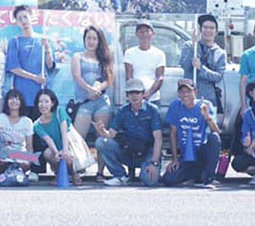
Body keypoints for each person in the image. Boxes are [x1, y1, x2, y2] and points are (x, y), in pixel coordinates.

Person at [94, 78, 162, 187]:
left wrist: (154, 162)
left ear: (143, 94)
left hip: (148, 151)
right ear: (127, 95)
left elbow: (158, 139)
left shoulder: (153, 110)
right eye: (131, 93)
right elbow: (111, 135)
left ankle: (147, 169)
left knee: (149, 181)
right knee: (101, 142)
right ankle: (120, 175)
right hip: (129, 150)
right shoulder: (123, 111)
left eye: (137, 92)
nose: (134, 96)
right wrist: (102, 131)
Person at [71, 24, 114, 181]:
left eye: (94, 38)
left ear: (99, 40)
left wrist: (98, 90)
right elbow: (77, 76)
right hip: (84, 102)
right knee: (77, 137)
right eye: (88, 38)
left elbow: (109, 78)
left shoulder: (105, 57)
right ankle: (76, 170)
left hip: (102, 103)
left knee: (101, 138)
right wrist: (89, 89)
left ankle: (100, 172)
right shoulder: (77, 57)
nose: (91, 41)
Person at [161, 79, 222, 188]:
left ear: (196, 92)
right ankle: (195, 175)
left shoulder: (206, 105)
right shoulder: (175, 106)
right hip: (186, 156)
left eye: (188, 91)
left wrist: (207, 117)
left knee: (214, 138)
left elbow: (217, 131)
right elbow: (173, 133)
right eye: (182, 92)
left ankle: (209, 177)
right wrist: (174, 159)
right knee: (168, 179)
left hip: (202, 152)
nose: (185, 94)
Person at [6, 5, 54, 114]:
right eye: (19, 19)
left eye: (25, 17)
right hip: (22, 96)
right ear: (16, 22)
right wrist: (34, 78)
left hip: (41, 96)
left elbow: (50, 65)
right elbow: (13, 68)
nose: (23, 21)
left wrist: (47, 49)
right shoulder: (15, 42)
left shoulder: (43, 40)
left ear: (31, 17)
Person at [32, 88, 82, 186]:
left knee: (68, 156)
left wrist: (65, 150)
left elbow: (64, 132)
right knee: (47, 154)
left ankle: (74, 173)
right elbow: (48, 140)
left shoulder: (60, 112)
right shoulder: (37, 125)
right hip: (55, 147)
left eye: (47, 101)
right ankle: (59, 173)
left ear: (53, 103)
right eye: (40, 102)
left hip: (68, 143)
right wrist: (56, 153)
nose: (43, 105)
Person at [180, 14, 227, 112]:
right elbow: (185, 66)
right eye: (205, 27)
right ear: (200, 30)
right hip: (189, 98)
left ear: (216, 31)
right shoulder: (189, 46)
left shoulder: (220, 53)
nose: (208, 31)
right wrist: (194, 46)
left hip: (208, 98)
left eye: (211, 28)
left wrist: (201, 68)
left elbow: (218, 77)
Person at [124, 20, 165, 104]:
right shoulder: (129, 53)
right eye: (141, 32)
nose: (144, 34)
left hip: (153, 98)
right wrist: (136, 94)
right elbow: (129, 77)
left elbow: (160, 77)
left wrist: (148, 94)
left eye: (147, 31)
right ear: (136, 34)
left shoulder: (159, 54)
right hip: (134, 98)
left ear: (153, 34)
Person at [0, 88, 34, 173]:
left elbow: (29, 147)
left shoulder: (27, 121)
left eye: (17, 99)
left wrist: (29, 162)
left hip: (20, 153)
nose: (14, 101)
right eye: (11, 98)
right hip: (4, 152)